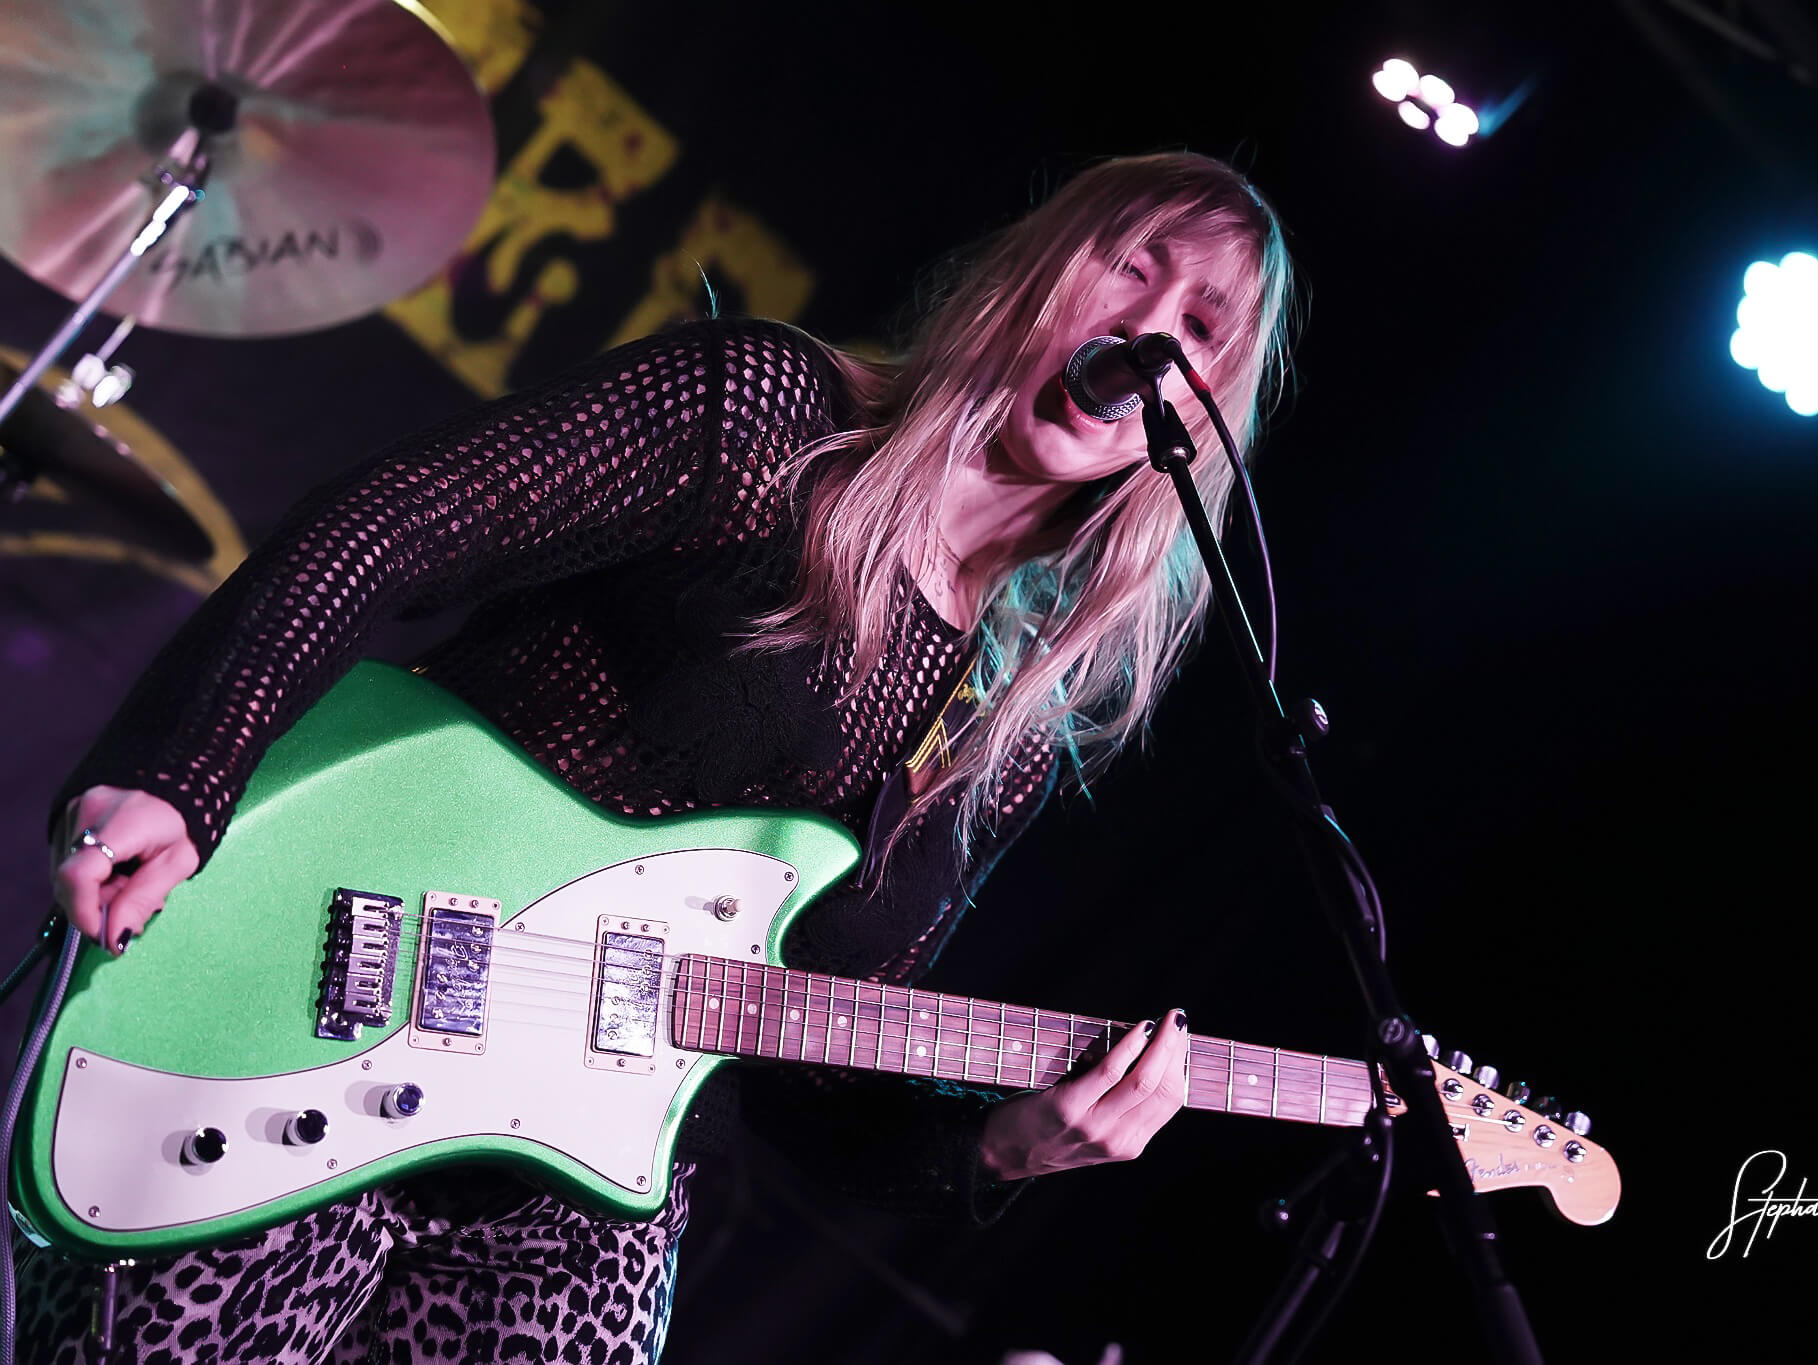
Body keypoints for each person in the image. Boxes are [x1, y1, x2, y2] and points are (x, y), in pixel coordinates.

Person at [21, 150, 1301, 1363]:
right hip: (319, 1027)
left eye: (1199, 329)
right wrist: (186, 771)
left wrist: (1002, 1149)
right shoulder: (761, 417)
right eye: (1130, 266)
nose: (1149, 333)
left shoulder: (1005, 728)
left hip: (580, 1210)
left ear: (1199, 421)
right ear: (1038, 272)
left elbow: (798, 1081)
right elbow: (389, 525)